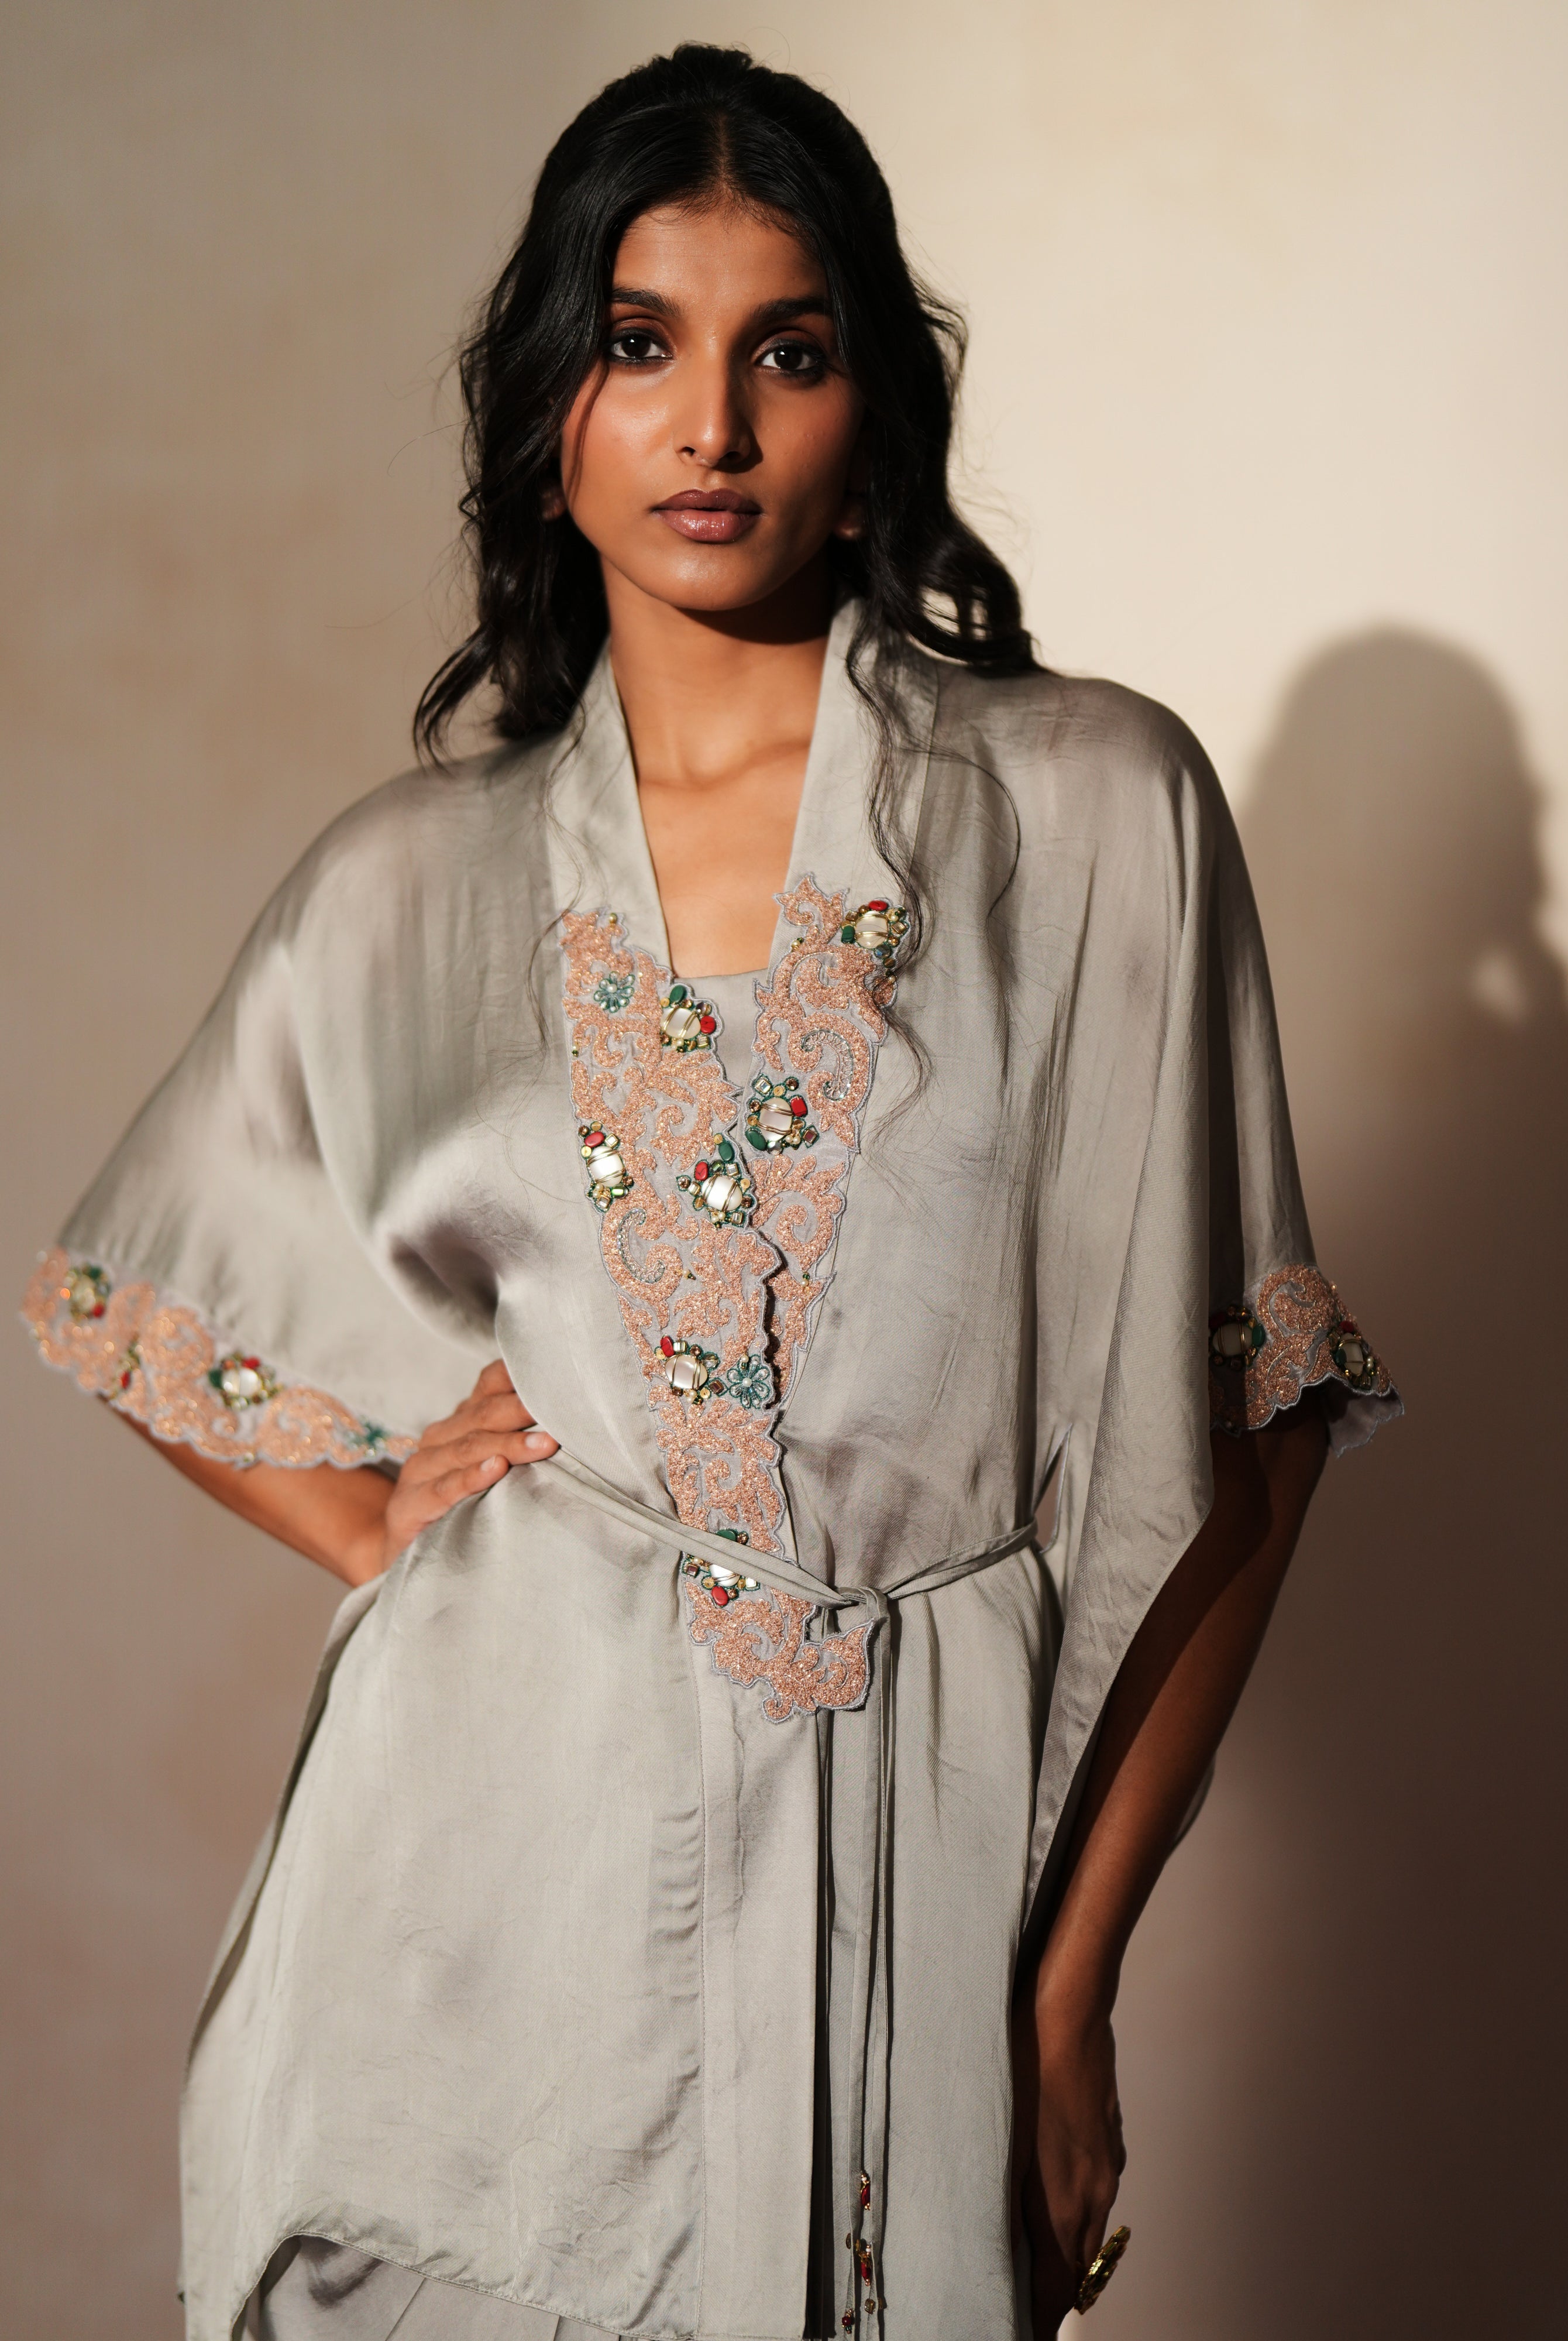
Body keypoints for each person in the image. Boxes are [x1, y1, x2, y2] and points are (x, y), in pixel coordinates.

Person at [22, 43, 1399, 2341]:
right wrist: (379, 1521)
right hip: (477, 1919)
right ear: (547, 405)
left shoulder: (1092, 819)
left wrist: (1062, 1994)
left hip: (926, 1892)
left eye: (789, 348)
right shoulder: (418, 881)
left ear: (876, 410)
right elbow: (122, 1302)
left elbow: (1239, 1445)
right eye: (639, 344)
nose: (712, 427)